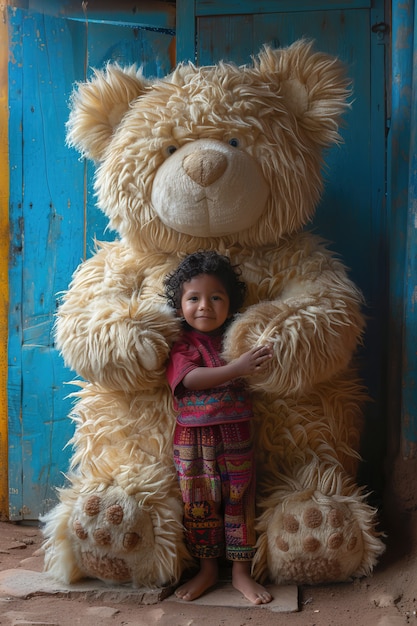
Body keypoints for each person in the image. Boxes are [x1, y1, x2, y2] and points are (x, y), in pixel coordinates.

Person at [164, 251, 273, 605]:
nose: (204, 306)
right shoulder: (183, 343)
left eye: (216, 297)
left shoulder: (238, 337)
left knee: (239, 501)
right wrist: (237, 368)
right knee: (199, 503)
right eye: (193, 298)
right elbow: (190, 379)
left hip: (236, 436)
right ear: (180, 307)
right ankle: (208, 568)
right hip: (194, 440)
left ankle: (241, 572)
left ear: (230, 304)